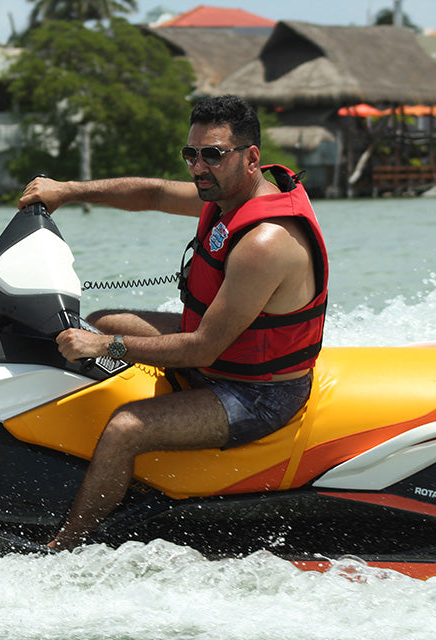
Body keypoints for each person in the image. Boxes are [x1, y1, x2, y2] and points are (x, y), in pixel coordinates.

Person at [17, 95, 328, 550]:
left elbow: (202, 349)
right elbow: (156, 194)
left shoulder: (266, 241)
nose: (199, 167)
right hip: (222, 361)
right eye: (192, 154)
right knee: (105, 318)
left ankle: (65, 546)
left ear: (251, 158)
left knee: (126, 427)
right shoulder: (226, 194)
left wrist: (103, 347)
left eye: (213, 155)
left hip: (256, 393)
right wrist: (68, 190)